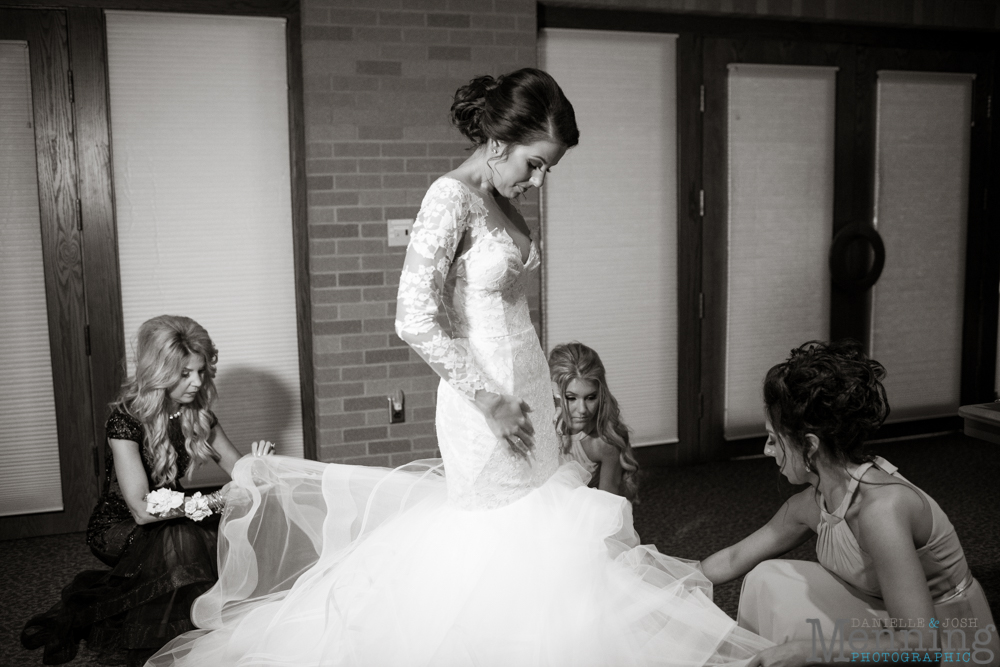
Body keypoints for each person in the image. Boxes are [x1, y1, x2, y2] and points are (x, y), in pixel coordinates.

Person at [147, 69, 770, 667]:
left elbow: (504, 309)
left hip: (527, 393)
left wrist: (532, 391)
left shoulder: (501, 196)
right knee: (498, 535)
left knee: (543, 531)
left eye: (549, 168)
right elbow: (414, 318)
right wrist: (491, 402)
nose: (541, 179)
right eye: (535, 163)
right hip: (484, 408)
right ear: (497, 143)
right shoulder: (450, 198)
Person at [699, 340, 999, 666]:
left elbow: (924, 646)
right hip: (884, 612)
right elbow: (733, 558)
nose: (767, 451)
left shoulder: (881, 512)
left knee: (797, 639)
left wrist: (810, 652)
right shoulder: (811, 503)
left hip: (955, 640)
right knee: (766, 578)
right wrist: (657, 582)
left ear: (809, 446)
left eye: (774, 439)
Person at [20, 315, 274, 666]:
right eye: (185, 374)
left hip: (174, 514)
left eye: (201, 371)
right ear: (160, 371)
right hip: (122, 524)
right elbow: (140, 509)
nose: (197, 383)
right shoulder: (125, 421)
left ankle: (198, 636)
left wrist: (256, 465)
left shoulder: (198, 415)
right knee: (185, 538)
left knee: (213, 534)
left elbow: (237, 469)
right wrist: (216, 500)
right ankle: (181, 643)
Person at [549, 341, 640, 499]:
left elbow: (608, 507)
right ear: (554, 394)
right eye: (571, 398)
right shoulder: (538, 428)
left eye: (591, 397)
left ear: (601, 394)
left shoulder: (603, 443)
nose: (583, 410)